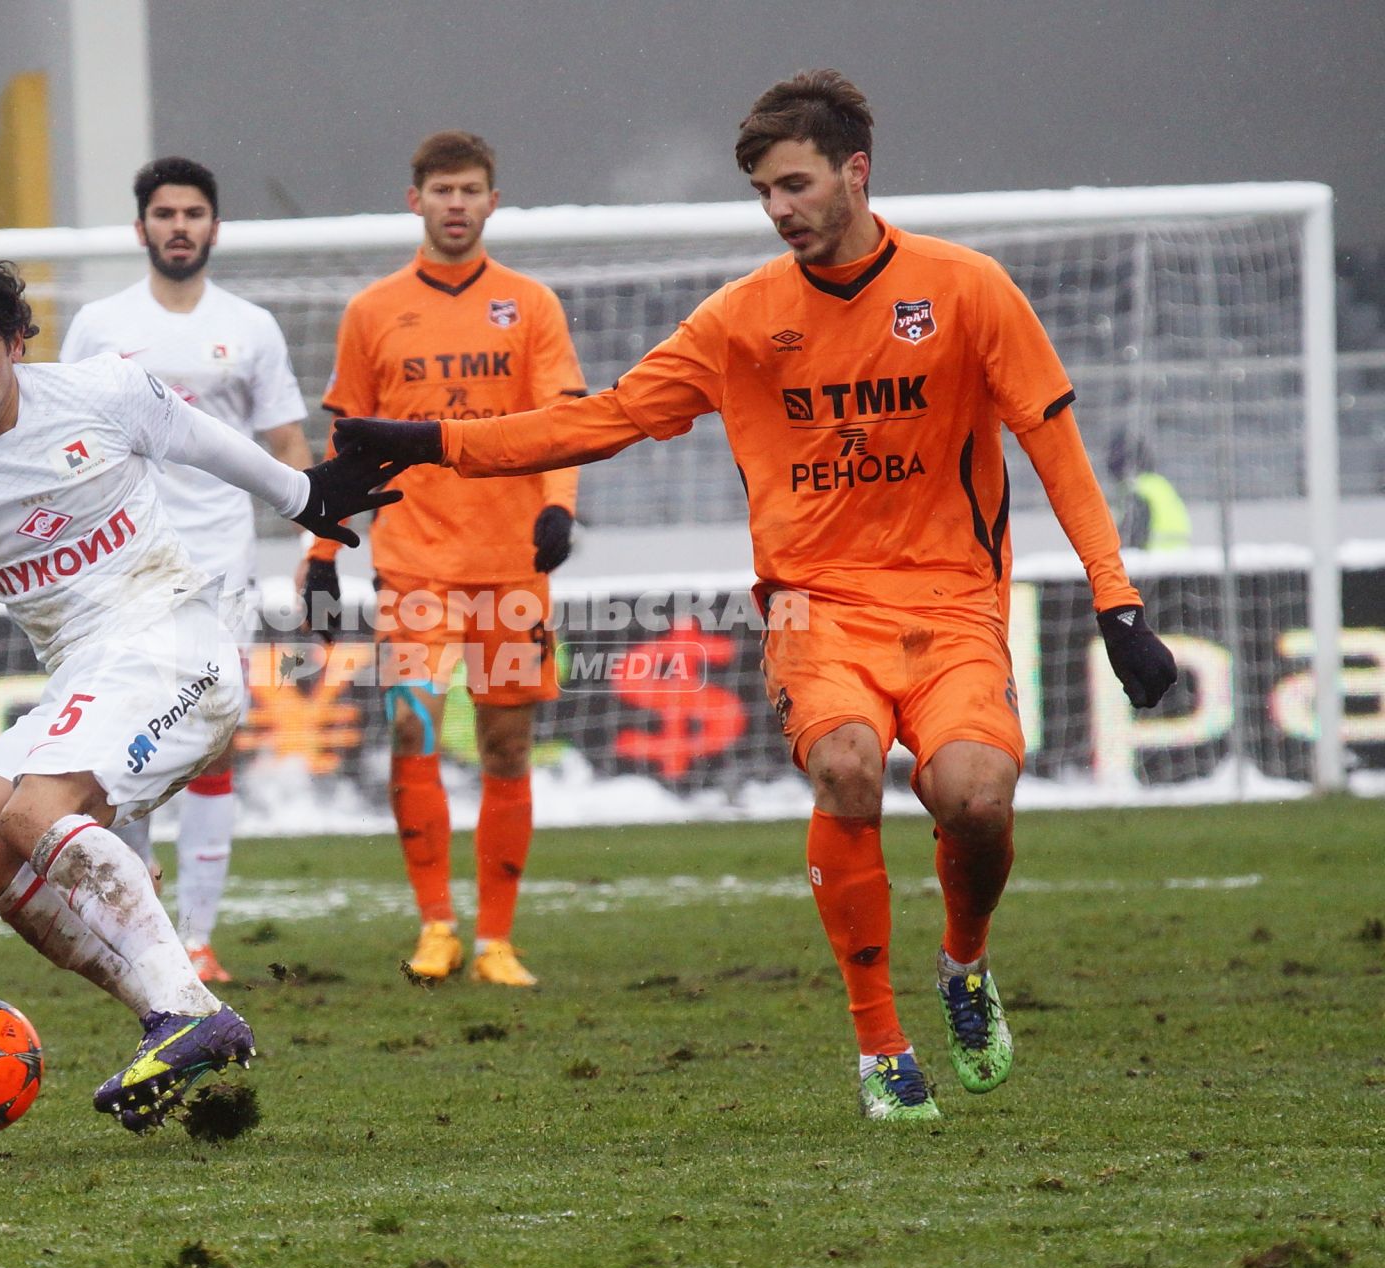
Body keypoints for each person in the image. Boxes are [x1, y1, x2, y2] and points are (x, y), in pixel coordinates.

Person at [335, 72, 1178, 1120]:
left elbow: (1056, 448)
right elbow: (598, 419)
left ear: (854, 172)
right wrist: (422, 441)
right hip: (808, 603)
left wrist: (1118, 602)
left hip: (953, 600)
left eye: (794, 185)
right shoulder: (741, 318)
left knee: (973, 799)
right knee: (847, 767)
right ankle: (881, 1046)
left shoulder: (966, 289)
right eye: (764, 195)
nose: (778, 210)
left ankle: (964, 964)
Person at [0, 250, 400, 1132]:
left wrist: (306, 496)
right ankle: (176, 1012)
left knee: (33, 810)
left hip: (176, 640)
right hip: (87, 670)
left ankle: (187, 1015)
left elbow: (215, 446)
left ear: (17, 341)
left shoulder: (104, 391)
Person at [301, 129, 588, 988]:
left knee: (505, 747)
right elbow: (347, 445)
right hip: (414, 561)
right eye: (442, 191)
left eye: (471, 191)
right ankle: (437, 927)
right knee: (410, 728)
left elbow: (563, 421)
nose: (456, 205)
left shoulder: (530, 305)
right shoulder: (373, 311)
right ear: (415, 200)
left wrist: (559, 509)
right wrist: (321, 552)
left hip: (509, 563)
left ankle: (497, 939)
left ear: (492, 202)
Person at [60, 157, 314, 985]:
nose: (179, 226)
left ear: (214, 226)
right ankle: (147, 932)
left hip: (221, 570)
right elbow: (67, 440)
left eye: (193, 212)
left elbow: (287, 445)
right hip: (124, 572)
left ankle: (199, 938)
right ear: (141, 229)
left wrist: (317, 544)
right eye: (164, 213)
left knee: (209, 752)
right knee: (121, 755)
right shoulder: (99, 325)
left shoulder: (251, 327)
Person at [1108, 432, 1192, 551]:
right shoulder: (1159, 485)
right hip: (1181, 555)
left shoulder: (1136, 491)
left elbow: (1132, 537)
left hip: (1154, 558)